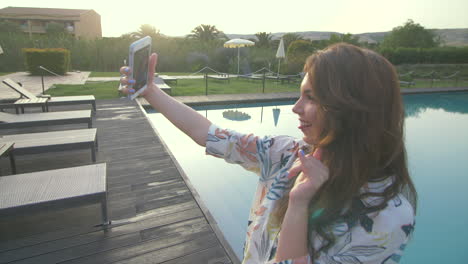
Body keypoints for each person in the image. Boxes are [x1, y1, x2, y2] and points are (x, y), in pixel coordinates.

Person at [119, 43, 417, 264]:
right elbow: (210, 134)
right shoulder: (286, 153)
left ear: (351, 108)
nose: (295, 108)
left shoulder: (386, 214)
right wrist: (150, 92)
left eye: (310, 97)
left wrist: (299, 204)